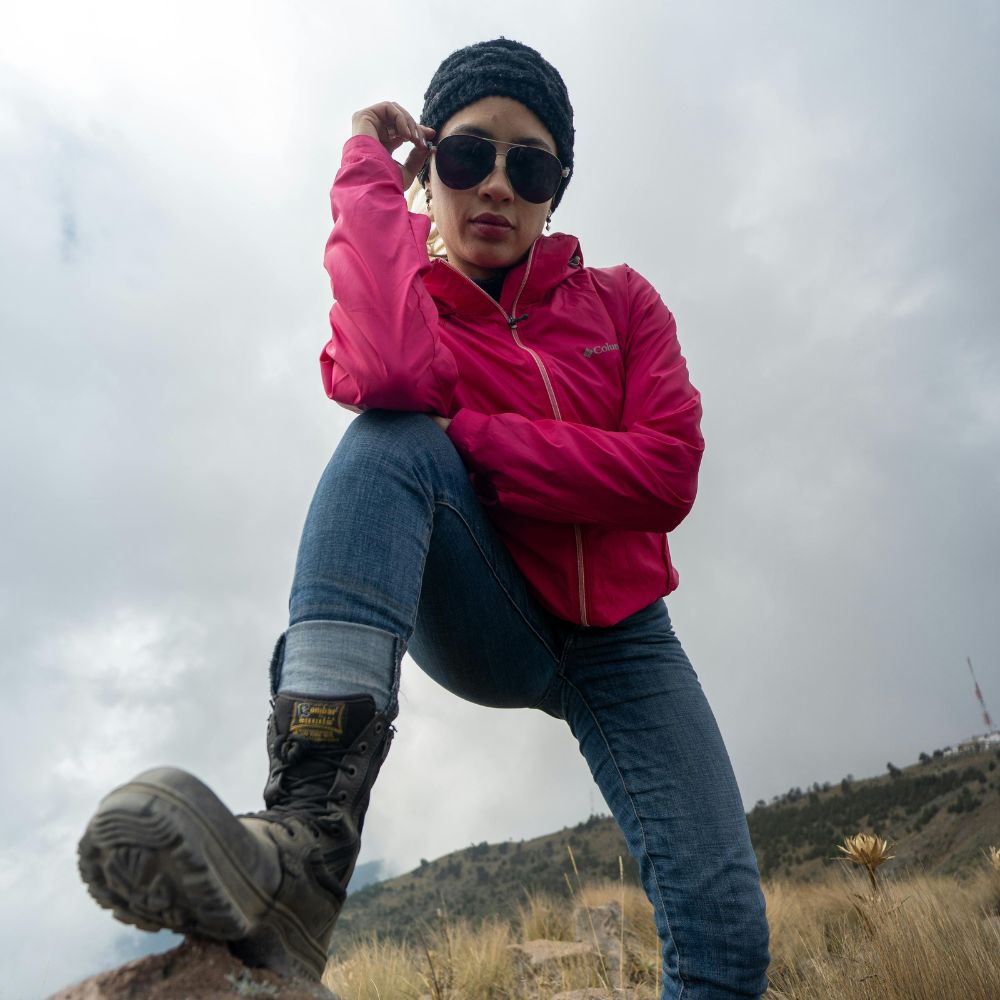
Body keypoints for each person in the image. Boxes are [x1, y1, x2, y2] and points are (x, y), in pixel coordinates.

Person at [78, 38, 770, 999]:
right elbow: (392, 377)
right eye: (465, 156)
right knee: (392, 439)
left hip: (625, 640)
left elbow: (666, 475)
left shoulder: (622, 303)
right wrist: (368, 169)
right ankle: (306, 848)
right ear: (430, 167)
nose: (495, 185)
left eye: (528, 166)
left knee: (729, 951)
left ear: (555, 189)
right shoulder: (422, 301)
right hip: (487, 606)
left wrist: (478, 437)